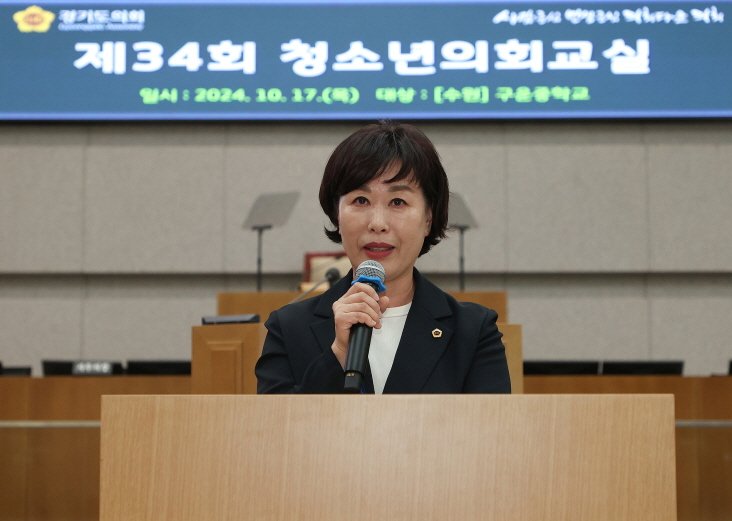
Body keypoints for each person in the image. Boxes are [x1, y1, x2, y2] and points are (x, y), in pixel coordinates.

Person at [255, 121, 510, 394]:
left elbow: (489, 422)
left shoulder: (473, 332)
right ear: (337, 215)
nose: (377, 223)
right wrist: (338, 354)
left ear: (428, 218)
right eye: (360, 201)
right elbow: (278, 422)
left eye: (397, 202)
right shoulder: (288, 329)